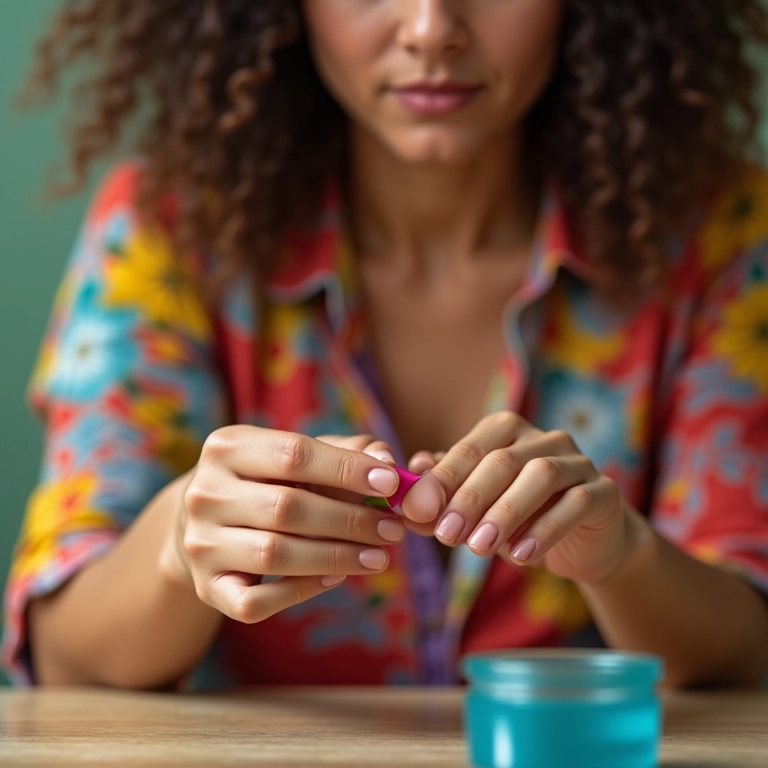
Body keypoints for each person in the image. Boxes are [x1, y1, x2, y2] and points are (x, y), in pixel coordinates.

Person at [3, 0, 768, 691]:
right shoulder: (164, 231)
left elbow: (751, 652)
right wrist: (177, 546)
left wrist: (623, 557)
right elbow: (63, 660)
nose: (432, 27)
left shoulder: (727, 236)